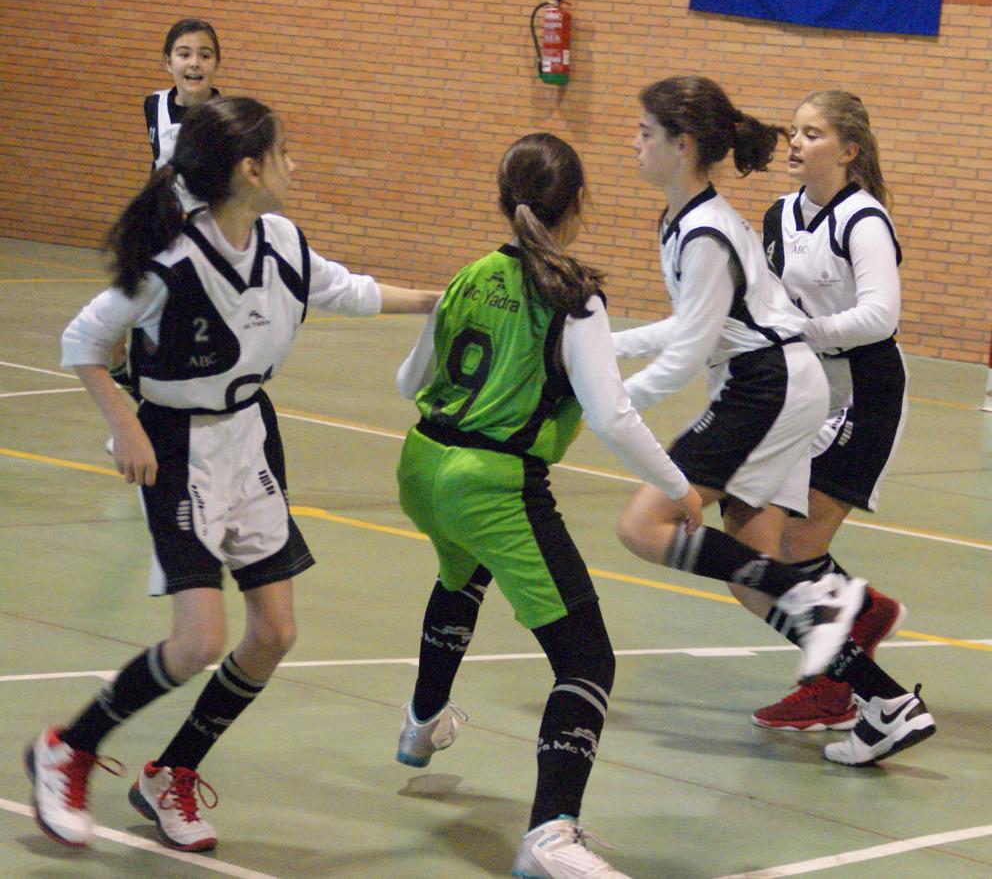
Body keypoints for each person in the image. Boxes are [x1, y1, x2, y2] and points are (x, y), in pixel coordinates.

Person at [390, 133, 851, 879]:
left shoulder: (470, 276)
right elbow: (610, 417)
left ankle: (419, 724)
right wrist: (675, 484)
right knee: (587, 660)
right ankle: (550, 836)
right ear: (580, 204)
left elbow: (408, 381)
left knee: (460, 576)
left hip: (421, 467)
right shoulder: (574, 294)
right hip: (494, 482)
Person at [25, 96, 439, 852]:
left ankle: (169, 772)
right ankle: (67, 748)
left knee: (274, 633)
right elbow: (82, 340)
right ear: (249, 169)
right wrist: (123, 424)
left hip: (249, 437)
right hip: (175, 447)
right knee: (196, 643)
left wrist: (435, 302)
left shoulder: (279, 239)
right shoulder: (170, 262)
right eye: (284, 152)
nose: (295, 164)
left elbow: (344, 288)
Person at [752, 90, 936, 765]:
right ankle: (855, 630)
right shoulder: (779, 215)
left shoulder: (862, 219)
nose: (796, 143)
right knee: (775, 547)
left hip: (864, 394)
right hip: (809, 391)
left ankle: (843, 682)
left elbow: (879, 317)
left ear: (848, 150)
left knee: (790, 548)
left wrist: (804, 330)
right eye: (793, 131)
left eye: (813, 133)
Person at [108, 18, 222, 395]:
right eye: (184, 54)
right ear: (167, 62)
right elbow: (159, 162)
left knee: (189, 307)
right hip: (161, 219)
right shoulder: (153, 104)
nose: (194, 63)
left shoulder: (225, 117)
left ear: (215, 64)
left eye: (205, 56)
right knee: (132, 292)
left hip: (204, 228)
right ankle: (125, 360)